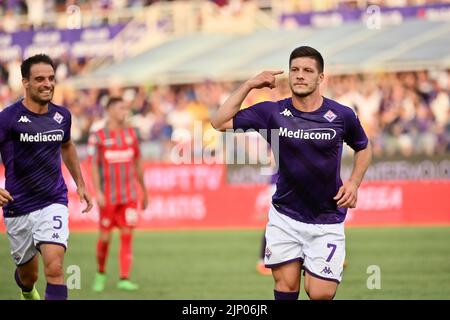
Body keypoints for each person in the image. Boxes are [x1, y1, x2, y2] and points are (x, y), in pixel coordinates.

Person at [211, 46, 372, 300]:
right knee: (286, 287)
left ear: (320, 78)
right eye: (294, 70)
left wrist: (354, 183)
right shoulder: (271, 112)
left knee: (321, 294)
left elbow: (363, 147)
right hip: (285, 217)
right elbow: (219, 122)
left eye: (308, 70)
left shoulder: (341, 115)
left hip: (327, 219)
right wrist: (250, 84)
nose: (299, 75)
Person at [0, 54, 93, 300]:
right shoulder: (8, 118)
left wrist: (80, 184)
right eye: (40, 79)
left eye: (51, 78)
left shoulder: (62, 116)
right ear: (25, 83)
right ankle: (27, 291)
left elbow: (67, 146)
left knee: (55, 268)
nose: (47, 84)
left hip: (53, 201)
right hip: (17, 206)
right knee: (29, 276)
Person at [88, 96, 148, 292]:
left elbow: (138, 162)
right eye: (122, 108)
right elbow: (94, 166)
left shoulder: (132, 134)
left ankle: (124, 278)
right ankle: (100, 272)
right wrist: (97, 192)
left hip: (129, 196)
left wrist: (144, 190)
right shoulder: (98, 136)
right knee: (105, 237)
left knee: (127, 234)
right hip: (109, 196)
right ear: (111, 110)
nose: (125, 112)